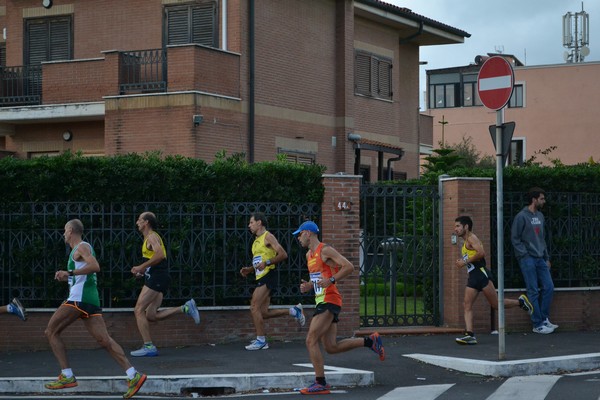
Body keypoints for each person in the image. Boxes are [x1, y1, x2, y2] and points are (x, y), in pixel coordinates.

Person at [44, 219, 146, 399]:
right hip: (90, 301)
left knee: (51, 331)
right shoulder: (79, 250)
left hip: (78, 300)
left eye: (65, 230)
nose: (64, 234)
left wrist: (69, 273)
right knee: (104, 340)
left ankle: (67, 375)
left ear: (72, 231)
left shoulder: (81, 247)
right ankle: (133, 375)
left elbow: (95, 266)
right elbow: (84, 274)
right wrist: (68, 277)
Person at [294, 220, 384, 395]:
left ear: (308, 233)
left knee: (310, 340)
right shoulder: (308, 255)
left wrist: (332, 280)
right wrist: (310, 286)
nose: (298, 238)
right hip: (322, 300)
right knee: (330, 347)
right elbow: (320, 277)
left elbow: (349, 266)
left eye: (299, 234)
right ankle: (370, 341)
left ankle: (320, 383)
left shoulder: (324, 250)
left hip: (330, 299)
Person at [453, 216, 533, 345]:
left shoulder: (472, 238)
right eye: (455, 226)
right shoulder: (465, 241)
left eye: (458, 226)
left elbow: (481, 253)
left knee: (495, 305)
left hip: (481, 274)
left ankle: (520, 302)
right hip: (473, 277)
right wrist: (463, 262)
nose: (455, 229)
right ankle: (470, 335)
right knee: (466, 305)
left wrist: (464, 261)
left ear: (466, 227)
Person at [130, 211, 200, 357]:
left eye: (139, 220)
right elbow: (156, 260)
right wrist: (142, 271)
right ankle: (185, 308)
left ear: (146, 222)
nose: (137, 222)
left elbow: (160, 255)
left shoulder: (152, 236)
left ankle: (148, 346)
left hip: (157, 278)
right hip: (156, 277)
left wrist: (142, 267)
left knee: (138, 310)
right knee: (151, 315)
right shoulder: (148, 238)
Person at [239, 212, 305, 351]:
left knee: (254, 306)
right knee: (263, 313)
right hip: (261, 275)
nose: (249, 225)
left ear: (259, 223)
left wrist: (267, 262)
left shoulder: (268, 236)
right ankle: (294, 311)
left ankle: (261, 340)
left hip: (268, 276)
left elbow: (283, 254)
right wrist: (250, 269)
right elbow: (260, 261)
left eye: (251, 222)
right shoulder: (256, 241)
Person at [511, 187, 557, 334]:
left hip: (540, 258)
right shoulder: (521, 217)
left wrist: (546, 258)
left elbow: (542, 239)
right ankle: (537, 324)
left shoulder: (540, 216)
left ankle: (544, 319)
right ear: (534, 199)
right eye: (542, 198)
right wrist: (524, 255)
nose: (544, 201)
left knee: (548, 287)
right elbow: (515, 238)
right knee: (533, 291)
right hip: (527, 259)